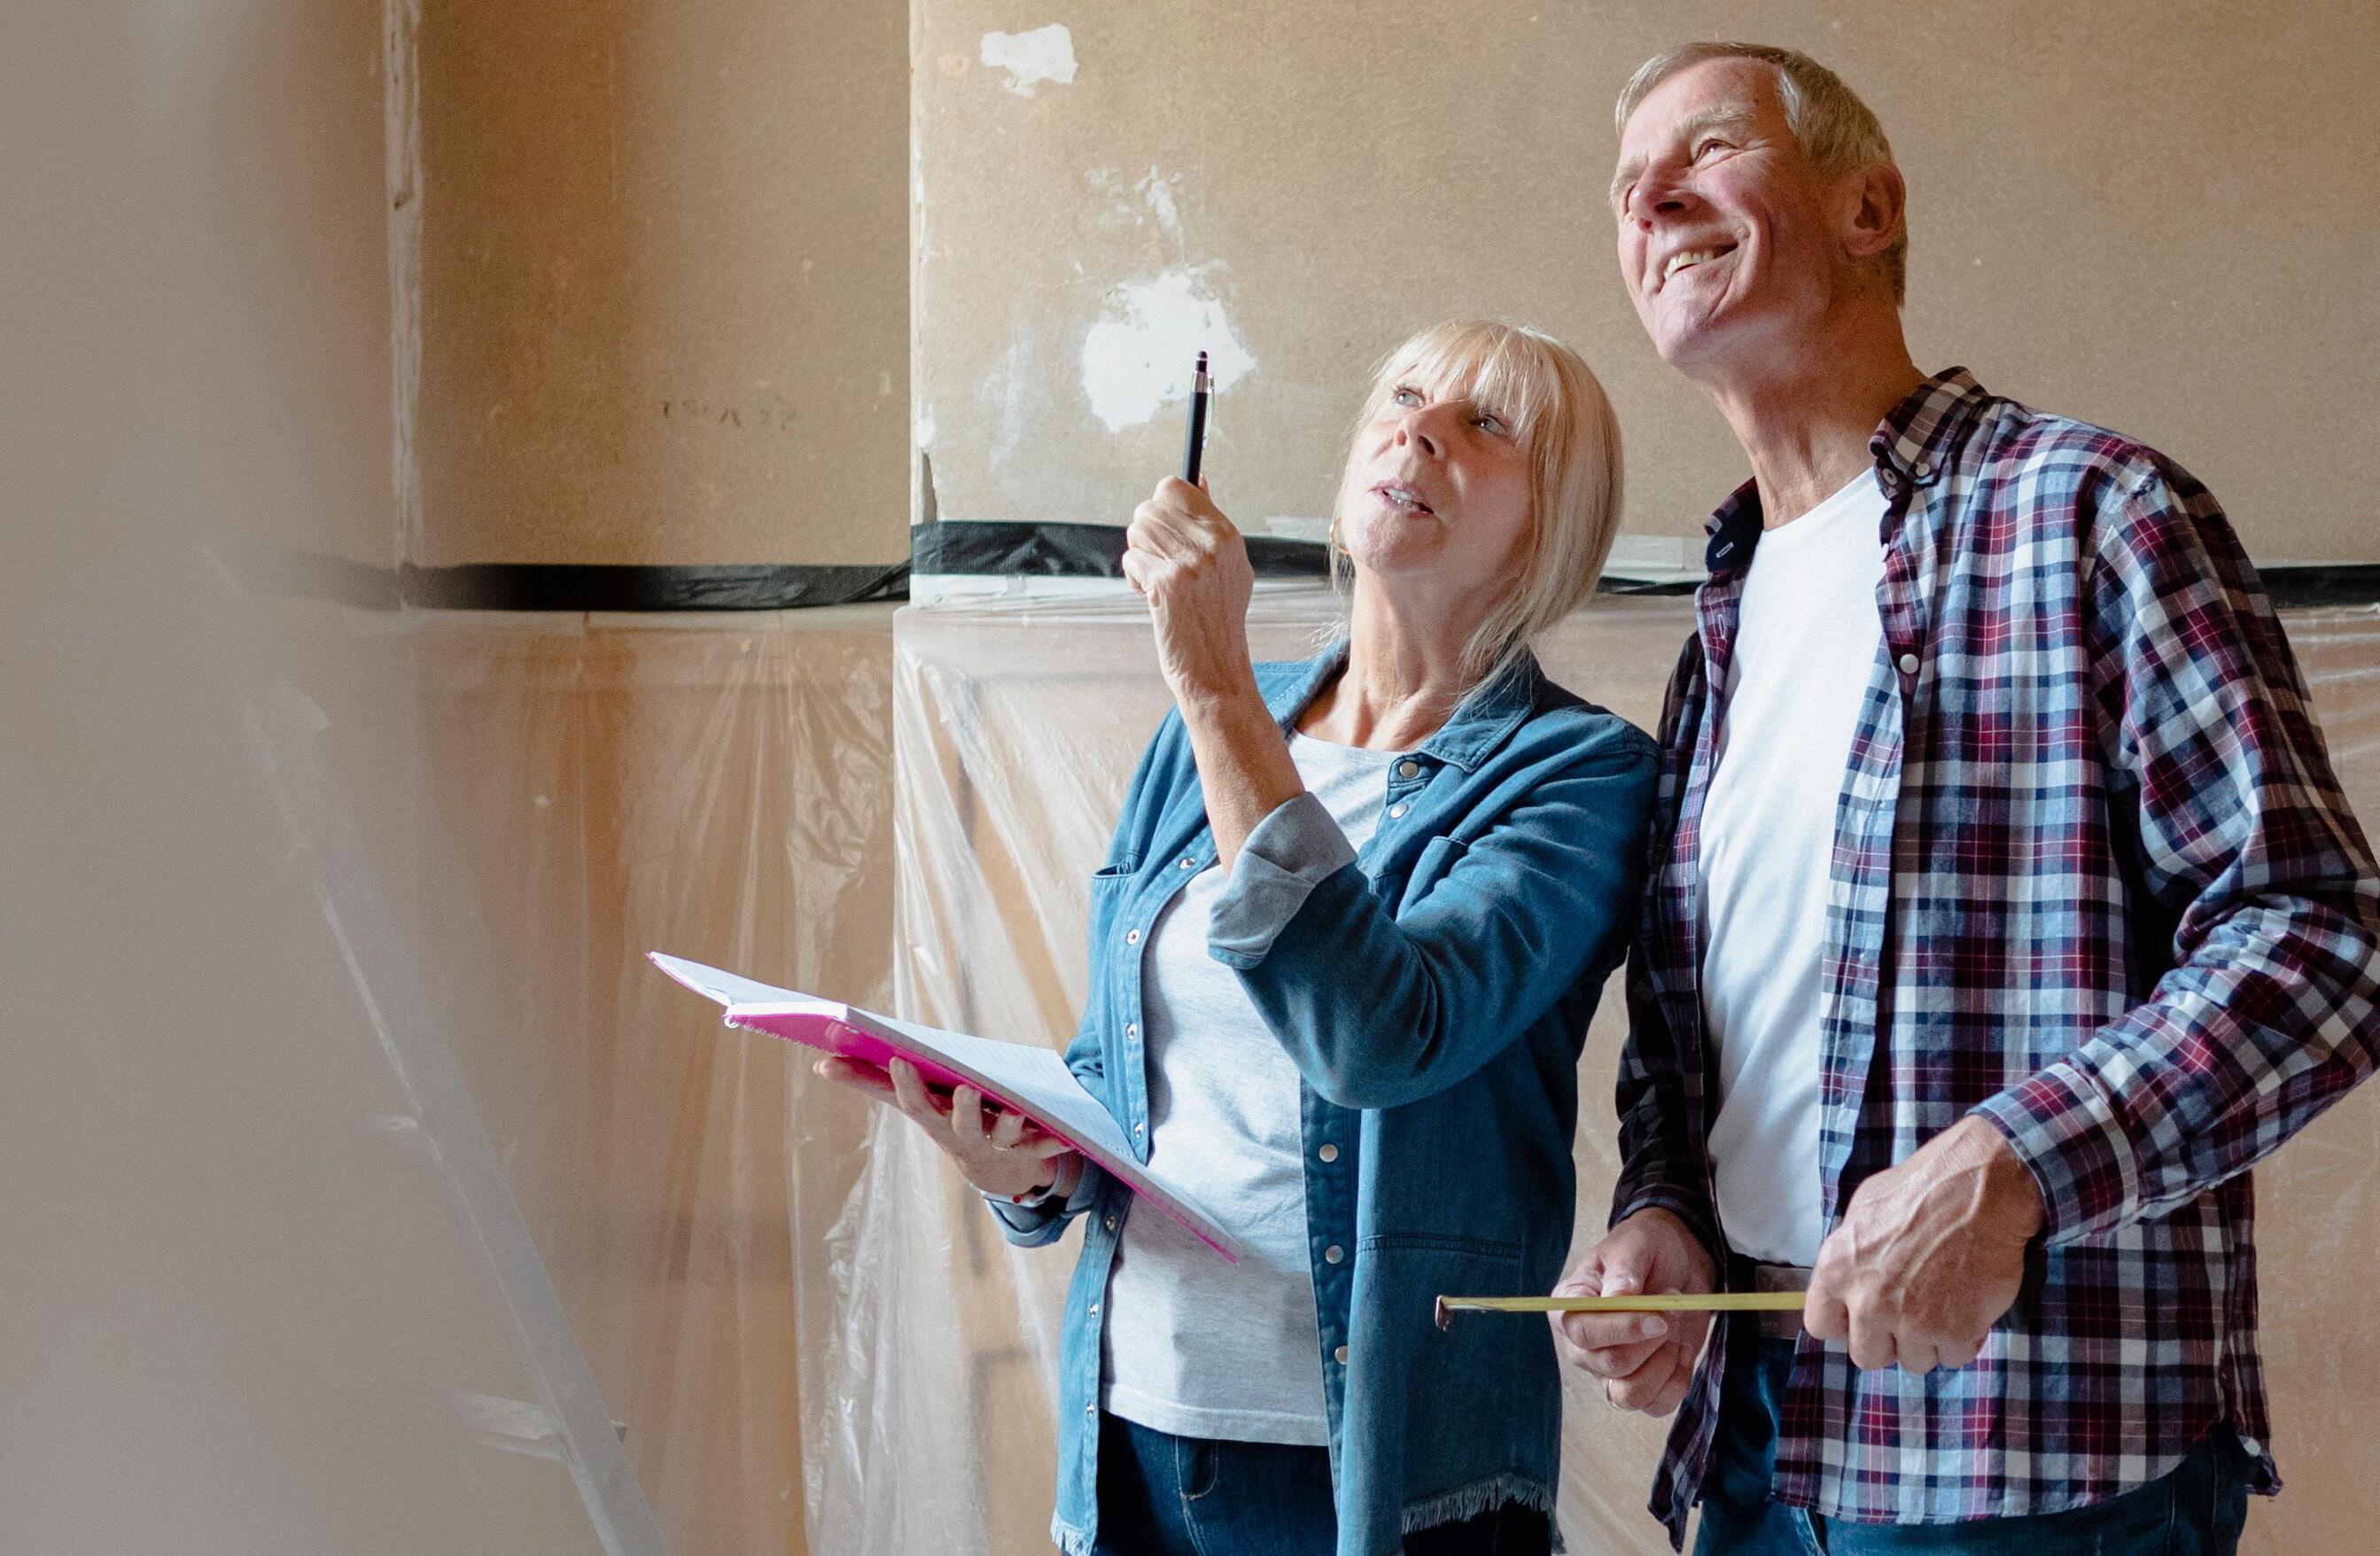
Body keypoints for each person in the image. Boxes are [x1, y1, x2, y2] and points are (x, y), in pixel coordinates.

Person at [1552, 41, 2380, 1555]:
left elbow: (2320, 942)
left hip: (2030, 1463)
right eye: (1624, 188)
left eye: (1707, 149)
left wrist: (2013, 1168)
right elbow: (1689, 1039)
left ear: (1867, 209)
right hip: (1750, 1446)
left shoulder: (2093, 511)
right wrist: (1660, 1207)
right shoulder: (1715, 630)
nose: (1651, 198)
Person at [822, 318, 1656, 1556]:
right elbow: (1130, 1075)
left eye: (1486, 424)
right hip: (1131, 1430)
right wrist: (1030, 1170)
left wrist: (1212, 682)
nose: (1419, 431)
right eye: (1404, 398)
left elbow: (1378, 1038)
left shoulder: (1579, 773)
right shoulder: (1204, 728)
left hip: (1385, 1474)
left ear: (1556, 525)